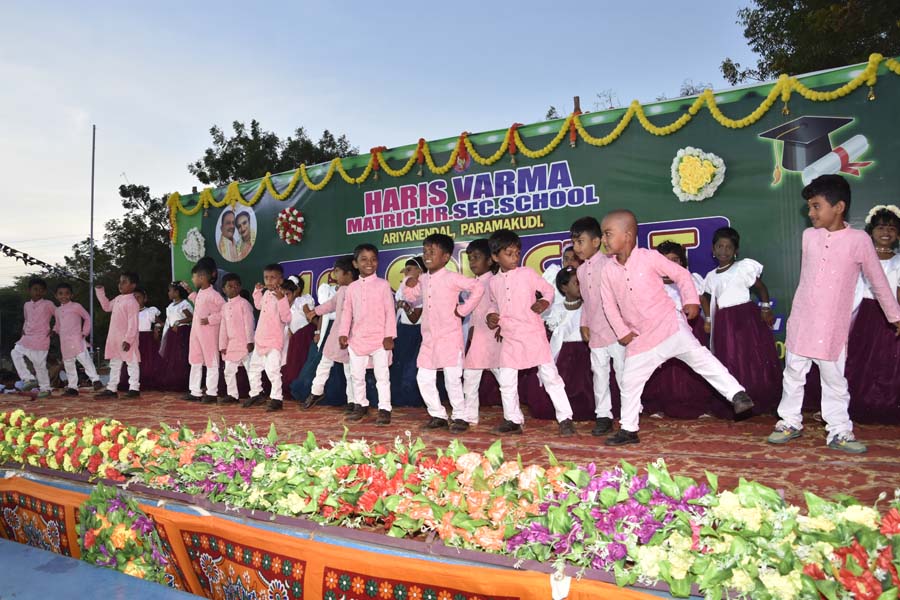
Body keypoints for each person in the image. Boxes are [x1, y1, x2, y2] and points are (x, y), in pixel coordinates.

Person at [598, 210, 754, 446]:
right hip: (641, 338)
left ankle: (737, 394)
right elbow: (608, 304)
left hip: (669, 325)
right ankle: (629, 430)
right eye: (602, 234)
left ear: (627, 235)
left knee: (701, 359)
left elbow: (681, 275)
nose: (604, 239)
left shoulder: (649, 258)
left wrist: (690, 300)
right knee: (629, 382)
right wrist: (622, 332)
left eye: (608, 234)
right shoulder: (608, 270)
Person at [767, 176, 900, 453]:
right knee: (793, 374)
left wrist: (894, 315)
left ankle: (839, 431)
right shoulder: (809, 236)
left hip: (832, 326)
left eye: (816, 206)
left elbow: (878, 281)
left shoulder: (859, 240)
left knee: (834, 380)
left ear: (839, 207)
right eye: (809, 207)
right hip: (802, 320)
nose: (810, 213)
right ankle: (789, 422)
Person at [486, 229, 576, 436]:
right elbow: (493, 304)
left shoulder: (526, 273)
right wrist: (490, 315)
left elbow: (548, 290)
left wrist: (544, 301)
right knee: (507, 380)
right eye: (509, 253)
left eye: (517, 253)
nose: (514, 257)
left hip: (532, 333)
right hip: (510, 335)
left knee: (550, 376)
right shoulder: (493, 282)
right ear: (495, 257)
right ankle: (513, 419)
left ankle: (565, 418)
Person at [403, 234, 483, 431]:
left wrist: (463, 310)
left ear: (446, 257)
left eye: (432, 251)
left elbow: (478, 287)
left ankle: (460, 416)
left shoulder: (451, 277)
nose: (427, 255)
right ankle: (437, 414)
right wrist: (409, 283)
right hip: (429, 339)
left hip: (449, 338)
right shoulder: (423, 279)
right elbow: (411, 297)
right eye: (425, 251)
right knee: (423, 378)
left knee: (452, 380)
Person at [700, 228, 781, 415]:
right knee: (730, 358)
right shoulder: (711, 276)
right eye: (720, 246)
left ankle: (758, 397)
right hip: (724, 323)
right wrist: (709, 319)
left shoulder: (743, 268)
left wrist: (766, 308)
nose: (724, 251)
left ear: (736, 250)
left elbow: (761, 288)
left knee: (751, 358)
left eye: (729, 247)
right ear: (713, 249)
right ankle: (736, 399)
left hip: (746, 319)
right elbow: (705, 298)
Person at [640, 242, 717, 419]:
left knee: (693, 367)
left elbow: (702, 300)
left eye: (675, 260)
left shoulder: (689, 279)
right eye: (665, 261)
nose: (670, 264)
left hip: (689, 327)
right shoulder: (651, 283)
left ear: (682, 262)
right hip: (661, 329)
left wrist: (708, 319)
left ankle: (698, 405)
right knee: (662, 369)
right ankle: (660, 405)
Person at [846, 205, 900, 424]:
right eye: (881, 228)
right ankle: (857, 403)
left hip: (891, 317)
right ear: (870, 232)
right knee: (860, 359)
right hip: (865, 314)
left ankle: (887, 405)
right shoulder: (861, 260)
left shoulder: (898, 261)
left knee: (888, 362)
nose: (886, 232)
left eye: (892, 228)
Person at [570, 216, 623, 436]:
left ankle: (629, 416)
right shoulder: (581, 271)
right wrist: (584, 323)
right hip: (596, 333)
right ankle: (603, 416)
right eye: (574, 242)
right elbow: (586, 300)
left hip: (617, 331)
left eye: (580, 241)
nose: (576, 247)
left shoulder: (611, 263)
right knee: (599, 375)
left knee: (623, 374)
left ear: (596, 241)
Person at [338, 244, 396, 425]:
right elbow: (347, 312)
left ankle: (384, 409)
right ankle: (360, 405)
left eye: (373, 259)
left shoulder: (383, 285)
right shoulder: (352, 288)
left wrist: (389, 335)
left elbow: (390, 311)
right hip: (357, 339)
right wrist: (343, 333)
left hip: (380, 339)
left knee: (382, 376)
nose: (369, 263)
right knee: (357, 376)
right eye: (364, 259)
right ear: (355, 264)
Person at [534, 267, 596, 421]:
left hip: (585, 352)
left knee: (587, 384)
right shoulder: (555, 310)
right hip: (564, 355)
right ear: (564, 287)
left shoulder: (589, 307)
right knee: (560, 383)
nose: (580, 286)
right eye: (576, 283)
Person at [301, 256, 358, 409]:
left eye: (337, 271)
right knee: (325, 362)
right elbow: (331, 304)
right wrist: (315, 312)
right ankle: (316, 391)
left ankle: (353, 401)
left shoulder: (357, 290)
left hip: (352, 335)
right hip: (336, 333)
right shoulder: (342, 290)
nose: (334, 275)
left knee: (350, 370)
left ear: (348, 273)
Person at [461, 240, 502, 430]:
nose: (472, 262)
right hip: (478, 337)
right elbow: (474, 311)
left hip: (494, 336)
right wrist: (471, 328)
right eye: (470, 258)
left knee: (504, 378)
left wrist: (503, 326)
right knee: (470, 376)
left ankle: (513, 416)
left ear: (490, 260)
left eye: (476, 257)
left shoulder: (494, 281)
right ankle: (470, 416)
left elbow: (502, 305)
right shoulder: (475, 284)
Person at [244, 263, 292, 410]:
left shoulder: (282, 296)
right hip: (260, 339)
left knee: (273, 371)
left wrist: (281, 299)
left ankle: (277, 399)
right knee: (253, 368)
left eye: (273, 277)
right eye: (266, 278)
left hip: (273, 340)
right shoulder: (265, 294)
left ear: (281, 280)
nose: (269, 281)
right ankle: (256, 394)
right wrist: (257, 291)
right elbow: (258, 306)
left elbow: (287, 318)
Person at [182, 263, 225, 403]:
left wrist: (210, 319)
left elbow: (224, 311)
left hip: (208, 334)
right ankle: (195, 391)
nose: (192, 280)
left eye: (193, 277)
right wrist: (190, 292)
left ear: (202, 278)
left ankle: (212, 393)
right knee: (195, 360)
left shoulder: (214, 295)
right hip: (196, 333)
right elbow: (200, 303)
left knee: (212, 361)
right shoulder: (201, 293)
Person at [95, 272, 141, 398]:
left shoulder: (132, 302)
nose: (120, 284)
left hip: (127, 340)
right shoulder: (118, 299)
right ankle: (112, 388)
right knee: (115, 363)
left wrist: (128, 340)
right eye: (120, 282)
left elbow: (133, 323)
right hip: (115, 339)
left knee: (132, 363)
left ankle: (134, 388)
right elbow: (106, 307)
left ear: (133, 285)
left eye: (124, 282)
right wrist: (100, 291)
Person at [53, 282, 102, 394]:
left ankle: (96, 380)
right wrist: (54, 330)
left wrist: (84, 332)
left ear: (71, 295)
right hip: (64, 342)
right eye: (60, 293)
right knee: (68, 364)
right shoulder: (57, 310)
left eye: (67, 293)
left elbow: (87, 318)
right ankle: (72, 387)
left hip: (77, 339)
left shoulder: (76, 306)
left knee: (85, 360)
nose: (64, 296)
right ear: (56, 296)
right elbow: (57, 324)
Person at [11, 277, 55, 398]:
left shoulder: (48, 304)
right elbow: (27, 319)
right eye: (35, 289)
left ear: (44, 292)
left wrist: (55, 329)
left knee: (39, 365)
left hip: (41, 338)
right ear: (29, 290)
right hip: (27, 337)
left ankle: (45, 388)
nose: (38, 292)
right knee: (15, 352)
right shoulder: (27, 305)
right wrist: (23, 330)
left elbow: (59, 315)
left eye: (41, 290)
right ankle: (28, 378)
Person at [391, 256, 426, 407]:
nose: (405, 273)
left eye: (409, 269)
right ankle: (399, 398)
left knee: (411, 366)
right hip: (402, 330)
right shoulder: (404, 287)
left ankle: (411, 398)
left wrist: (404, 305)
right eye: (405, 270)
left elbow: (414, 318)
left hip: (415, 332)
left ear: (420, 271)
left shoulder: (421, 289)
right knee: (399, 364)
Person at [217, 273, 255, 404]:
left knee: (251, 370)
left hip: (245, 343)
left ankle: (256, 394)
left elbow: (249, 324)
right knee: (228, 371)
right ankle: (232, 395)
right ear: (224, 289)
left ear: (240, 287)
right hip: (231, 345)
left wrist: (250, 341)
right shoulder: (224, 307)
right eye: (230, 286)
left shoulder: (244, 304)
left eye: (236, 286)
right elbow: (223, 327)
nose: (233, 288)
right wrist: (222, 345)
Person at [281, 275, 316, 402]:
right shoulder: (286, 307)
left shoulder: (301, 301)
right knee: (293, 363)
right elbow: (290, 326)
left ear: (296, 291)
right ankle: (294, 390)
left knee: (304, 363)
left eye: (288, 294)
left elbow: (310, 316)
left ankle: (305, 390)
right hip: (296, 339)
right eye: (283, 294)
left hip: (306, 335)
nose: (285, 297)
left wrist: (318, 331)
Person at [157, 283, 193, 391]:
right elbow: (169, 321)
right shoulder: (170, 306)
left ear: (177, 292)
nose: (169, 293)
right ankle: (173, 380)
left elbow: (190, 317)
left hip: (182, 332)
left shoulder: (184, 304)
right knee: (172, 357)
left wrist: (178, 322)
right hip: (172, 333)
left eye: (170, 291)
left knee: (181, 356)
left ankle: (183, 381)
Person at [132, 288, 162, 390]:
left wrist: (156, 327)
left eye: (139, 297)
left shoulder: (150, 311)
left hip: (146, 339)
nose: (136, 299)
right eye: (134, 298)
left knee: (147, 361)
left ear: (145, 299)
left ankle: (146, 380)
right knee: (133, 361)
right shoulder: (129, 312)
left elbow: (161, 322)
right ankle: (133, 383)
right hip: (133, 338)